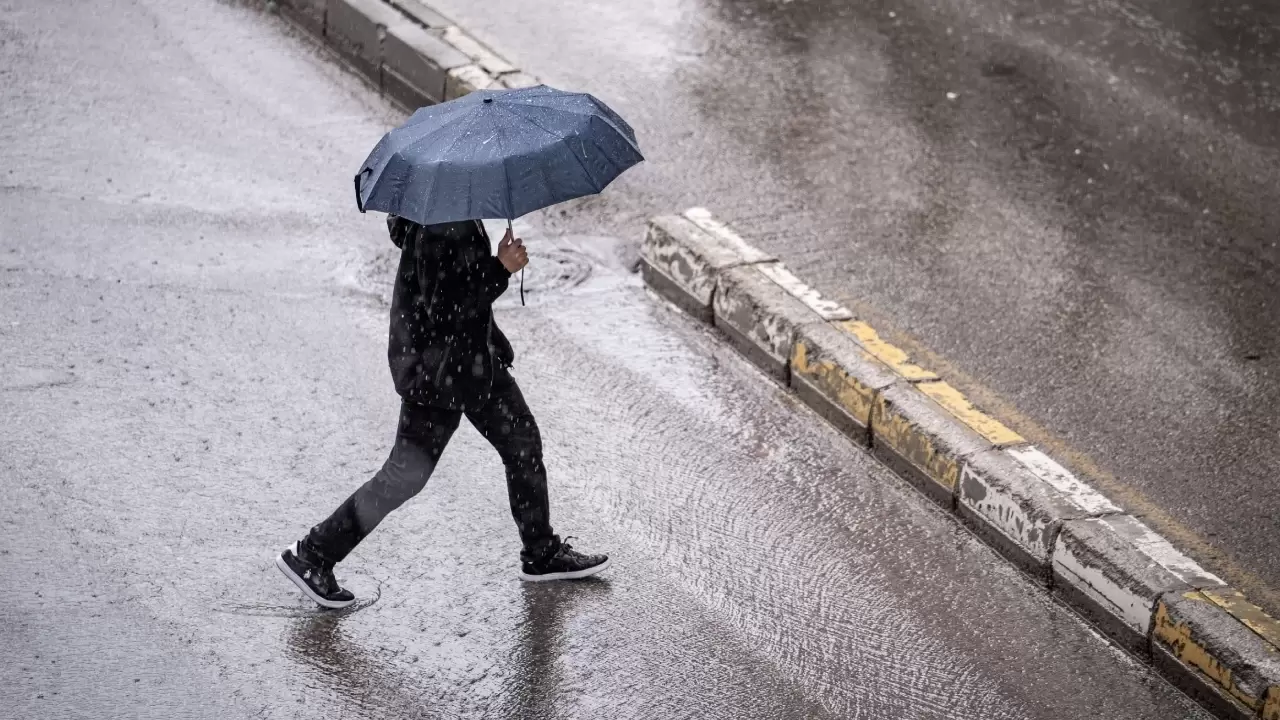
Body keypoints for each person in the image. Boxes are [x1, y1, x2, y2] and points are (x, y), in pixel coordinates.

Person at [276, 216, 609, 609]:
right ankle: (313, 554)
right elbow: (447, 311)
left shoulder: (453, 213)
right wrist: (500, 268)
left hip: (472, 363)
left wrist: (493, 338)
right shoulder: (439, 224)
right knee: (404, 476)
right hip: (437, 373)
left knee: (522, 442)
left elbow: (459, 289)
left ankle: (541, 553)